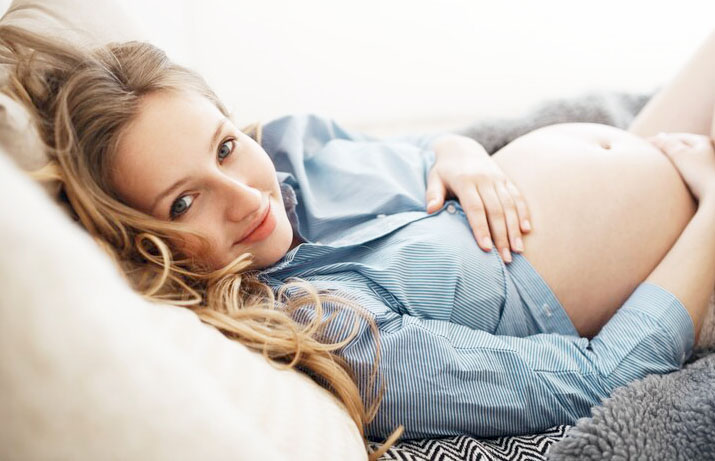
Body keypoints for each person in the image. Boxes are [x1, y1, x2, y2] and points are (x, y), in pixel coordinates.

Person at [1, 23, 714, 458]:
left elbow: (425, 152)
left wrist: (460, 152)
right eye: (184, 202)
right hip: (688, 257)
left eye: (224, 147)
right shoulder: (334, 325)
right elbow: (596, 377)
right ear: (146, 245)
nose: (246, 196)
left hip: (655, 151)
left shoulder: (292, 151)